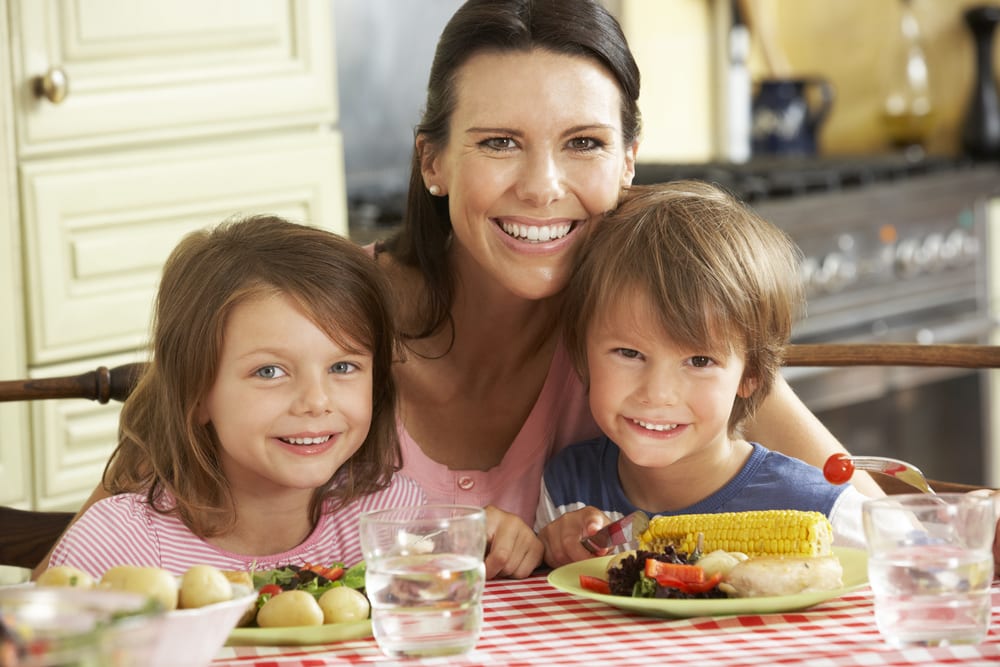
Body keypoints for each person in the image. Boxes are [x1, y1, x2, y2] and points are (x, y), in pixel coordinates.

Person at [45, 0, 883, 581]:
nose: (543, 185)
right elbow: (90, 566)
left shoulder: (651, 333)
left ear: (629, 160)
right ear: (433, 162)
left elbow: (858, 503)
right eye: (499, 142)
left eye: (584, 142)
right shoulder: (311, 323)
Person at [47, 216, 425, 577]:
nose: (316, 401)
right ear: (196, 394)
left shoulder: (396, 520)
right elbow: (42, 640)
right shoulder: (118, 546)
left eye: (342, 367)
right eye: (269, 371)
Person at [534, 182, 867, 567]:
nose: (657, 394)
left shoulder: (817, 508)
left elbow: (928, 573)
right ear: (582, 354)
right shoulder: (566, 490)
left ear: (752, 374)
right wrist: (551, 548)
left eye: (699, 362)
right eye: (629, 353)